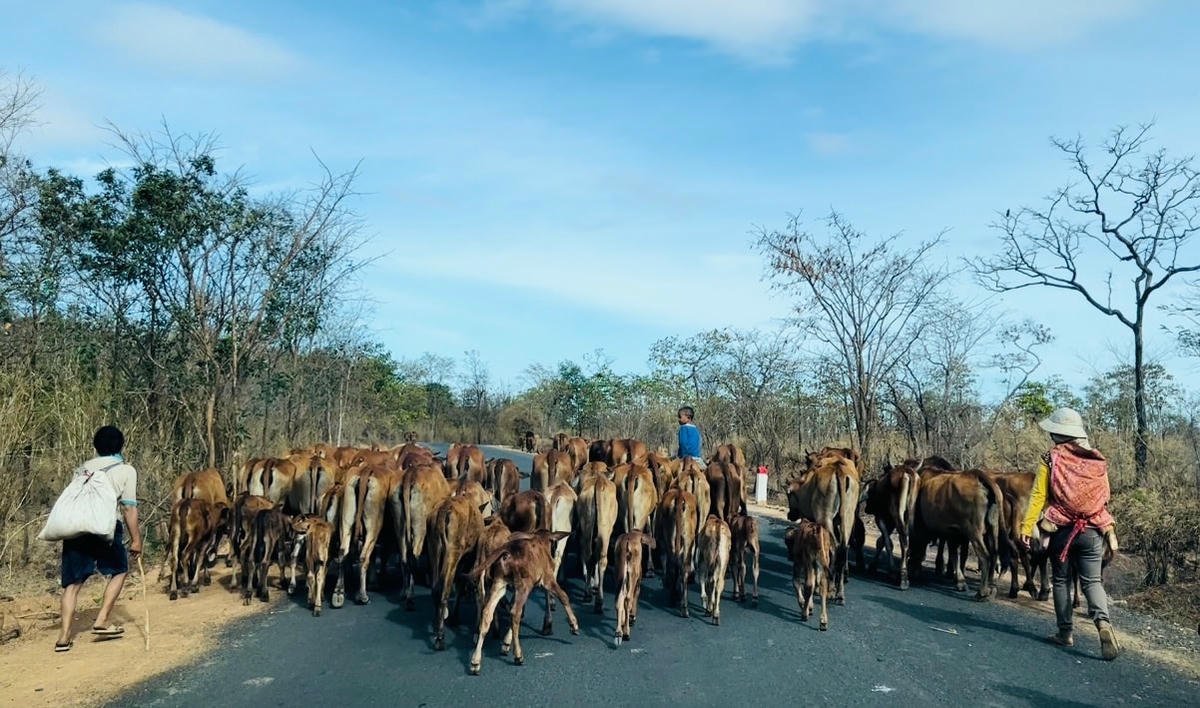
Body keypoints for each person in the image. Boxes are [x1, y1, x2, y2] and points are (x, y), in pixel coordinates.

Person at [1020, 407, 1120, 661]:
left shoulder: (1050, 458)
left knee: (1062, 580)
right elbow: (1105, 496)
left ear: (1057, 433)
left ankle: (1065, 632)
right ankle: (1103, 624)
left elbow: (1039, 496)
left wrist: (1026, 526)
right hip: (1092, 530)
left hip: (1061, 529)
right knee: (1092, 581)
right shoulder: (1097, 459)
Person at [54, 425, 142, 652]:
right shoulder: (126, 470)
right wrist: (136, 539)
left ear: (96, 446)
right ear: (121, 446)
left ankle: (63, 637)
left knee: (73, 584)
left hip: (77, 529)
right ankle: (101, 620)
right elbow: (128, 509)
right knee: (119, 571)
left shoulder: (82, 469)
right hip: (105, 528)